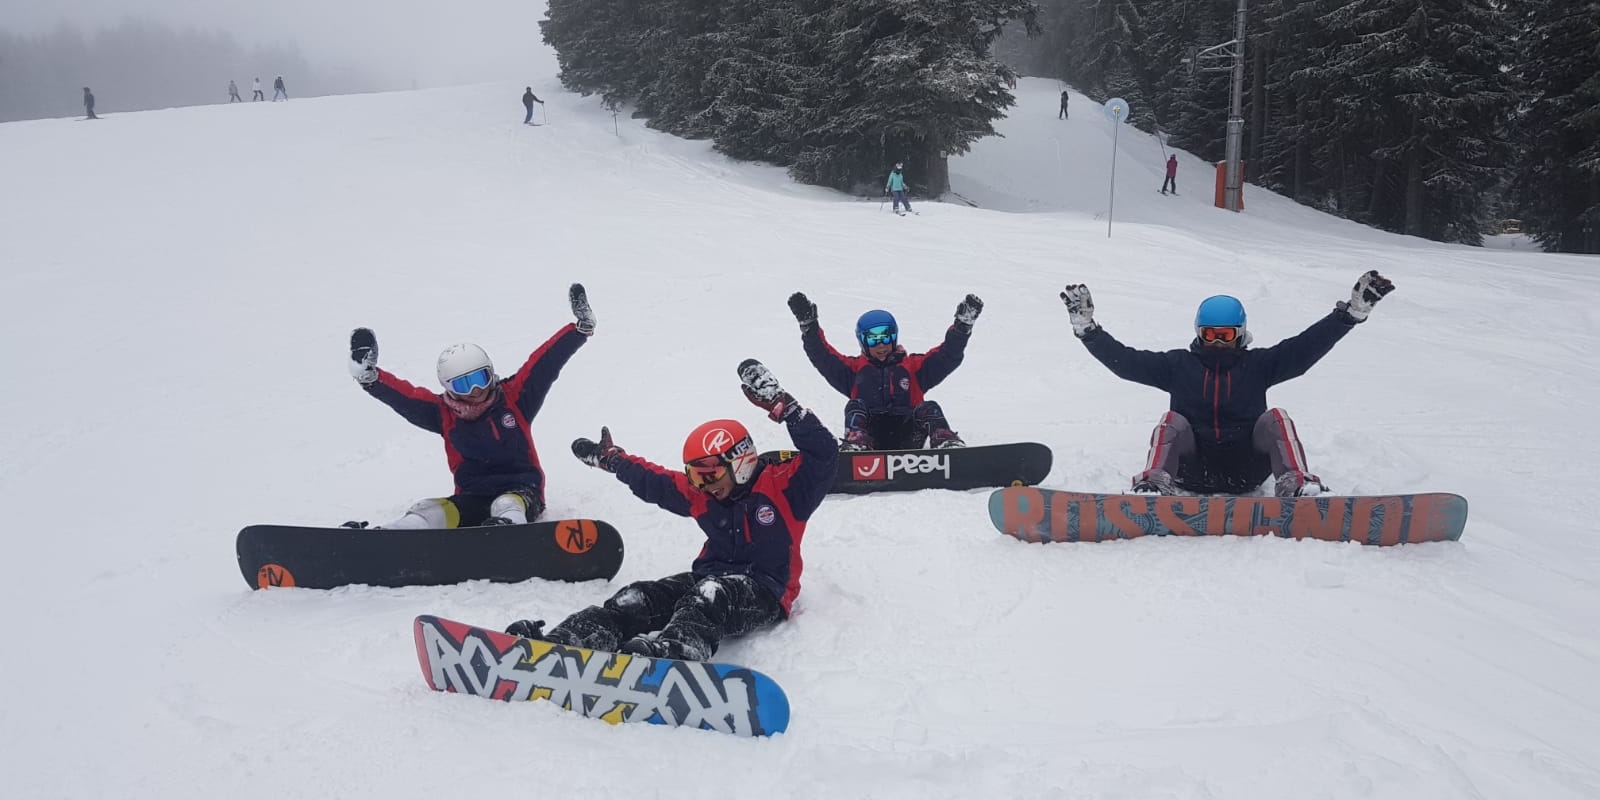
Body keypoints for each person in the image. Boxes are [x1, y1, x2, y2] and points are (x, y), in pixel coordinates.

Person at [505, 360, 836, 661]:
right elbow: (656, 481)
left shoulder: (786, 489)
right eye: (695, 475)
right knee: (638, 597)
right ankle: (564, 643)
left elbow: (824, 454)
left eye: (709, 473)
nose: (703, 484)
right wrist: (613, 460)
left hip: (765, 591)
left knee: (710, 596)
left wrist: (784, 406)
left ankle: (675, 654)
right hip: (707, 578)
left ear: (741, 461)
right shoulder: (705, 495)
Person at [1058, 271, 1397, 497]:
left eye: (1226, 336)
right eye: (1210, 335)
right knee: (1170, 422)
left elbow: (1306, 347)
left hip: (1246, 469)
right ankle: (1153, 485)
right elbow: (1126, 362)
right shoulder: (1178, 365)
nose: (1218, 342)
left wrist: (1350, 315)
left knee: (1277, 417)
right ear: (1198, 333)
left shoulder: (1259, 365)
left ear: (1240, 334)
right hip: (1191, 470)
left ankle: (1297, 484)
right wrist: (1088, 330)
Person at [342, 284, 596, 529]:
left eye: (480, 379)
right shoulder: (443, 414)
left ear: (491, 374)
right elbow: (406, 397)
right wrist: (371, 378)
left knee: (506, 503)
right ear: (449, 388)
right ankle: (393, 536)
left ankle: (508, 531)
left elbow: (544, 363)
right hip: (472, 498)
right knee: (427, 509)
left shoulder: (515, 399)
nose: (476, 391)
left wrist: (578, 330)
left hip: (522, 494)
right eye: (464, 385)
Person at [786, 291, 981, 451]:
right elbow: (823, 357)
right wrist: (809, 326)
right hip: (871, 438)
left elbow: (947, 356)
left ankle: (946, 445)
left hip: (908, 436)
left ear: (894, 337)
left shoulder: (913, 367)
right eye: (873, 340)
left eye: (886, 337)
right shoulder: (853, 371)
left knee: (928, 407)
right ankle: (856, 447)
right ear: (863, 342)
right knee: (855, 405)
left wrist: (961, 328)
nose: (881, 345)